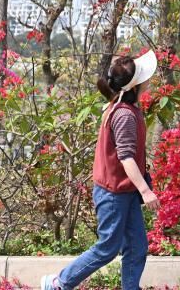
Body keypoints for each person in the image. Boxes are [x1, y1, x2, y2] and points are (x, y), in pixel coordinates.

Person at [42, 50, 160, 290]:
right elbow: (126, 158)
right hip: (114, 195)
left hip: (123, 191)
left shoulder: (122, 107)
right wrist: (146, 192)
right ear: (135, 86)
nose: (149, 79)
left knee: (137, 247)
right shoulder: (124, 115)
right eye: (144, 77)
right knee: (107, 248)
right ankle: (59, 283)